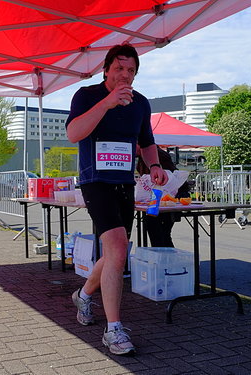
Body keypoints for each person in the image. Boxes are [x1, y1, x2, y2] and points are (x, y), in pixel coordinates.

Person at [65, 43, 168, 355]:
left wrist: (155, 166)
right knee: (118, 250)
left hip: (125, 183)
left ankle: (83, 295)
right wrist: (107, 103)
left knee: (115, 254)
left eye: (131, 70)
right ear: (106, 70)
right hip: (95, 181)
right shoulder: (86, 95)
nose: (125, 75)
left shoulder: (141, 104)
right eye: (120, 68)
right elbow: (73, 133)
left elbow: (147, 142)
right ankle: (114, 330)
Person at [136, 145, 192, 247]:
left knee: (161, 233)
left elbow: (170, 177)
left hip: (169, 197)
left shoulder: (157, 155)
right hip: (155, 198)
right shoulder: (141, 159)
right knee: (156, 231)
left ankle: (165, 259)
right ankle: (163, 258)